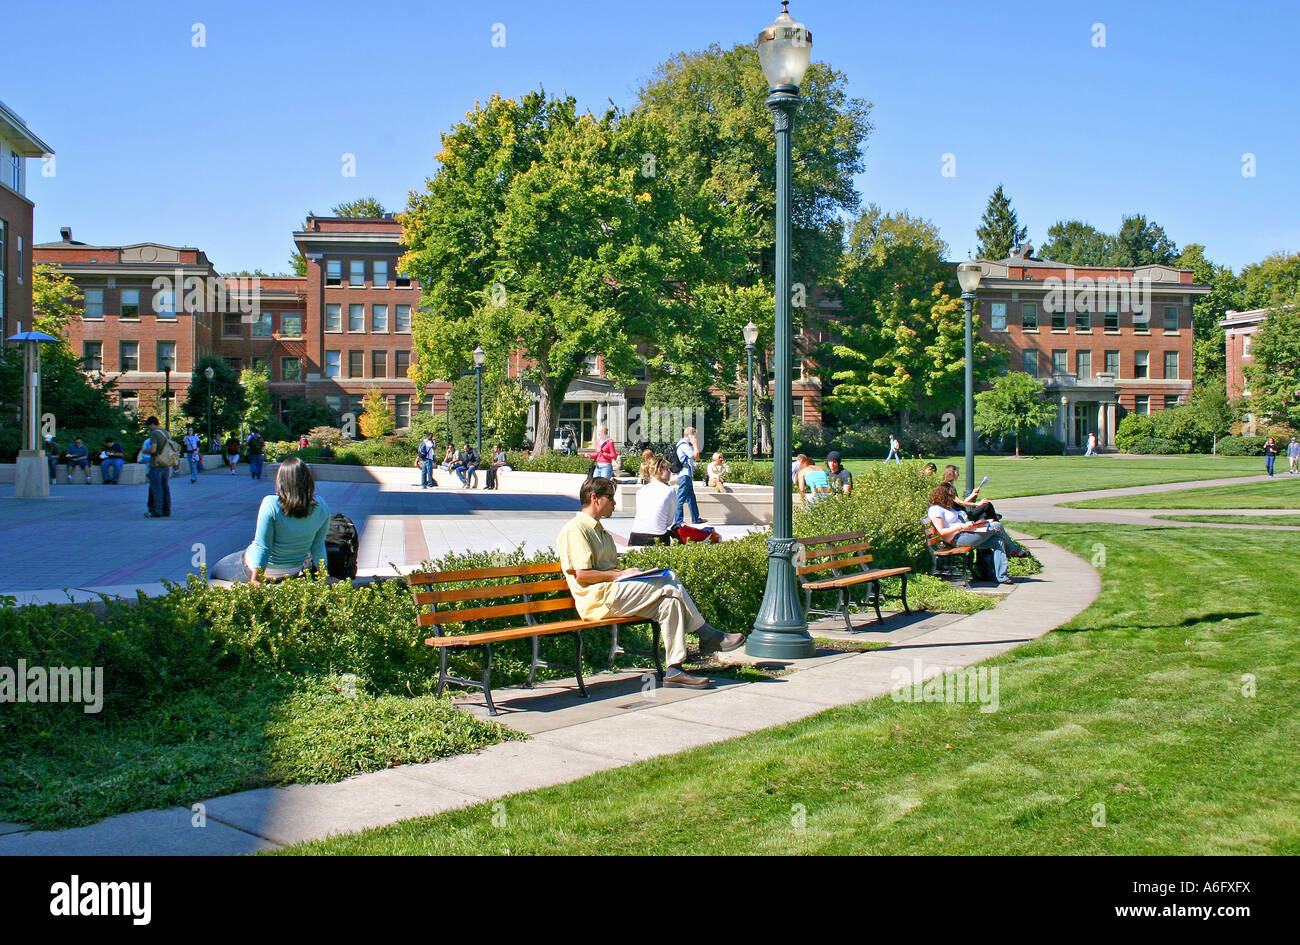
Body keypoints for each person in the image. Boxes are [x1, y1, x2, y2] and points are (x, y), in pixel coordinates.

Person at [557, 476, 743, 689]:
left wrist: (629, 575)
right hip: (598, 600)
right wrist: (618, 575)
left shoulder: (600, 530)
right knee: (669, 578)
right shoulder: (576, 530)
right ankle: (707, 634)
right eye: (610, 498)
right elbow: (582, 575)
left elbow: (609, 570)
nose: (615, 503)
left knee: (669, 603)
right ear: (595, 498)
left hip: (614, 593)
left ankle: (675, 670)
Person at [209, 457, 331, 585]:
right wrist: (325, 576)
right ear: (308, 481)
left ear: (281, 481)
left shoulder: (271, 504)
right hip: (292, 571)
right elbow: (318, 546)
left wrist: (255, 580)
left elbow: (263, 547)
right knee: (242, 553)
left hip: (260, 570)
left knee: (218, 569)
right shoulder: (322, 506)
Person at [927, 482, 1026, 585]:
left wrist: (972, 525)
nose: (952, 499)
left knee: (998, 541)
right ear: (942, 496)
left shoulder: (947, 507)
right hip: (957, 539)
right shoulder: (935, 510)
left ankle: (1002, 576)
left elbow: (959, 511)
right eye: (950, 496)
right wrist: (961, 526)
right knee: (997, 526)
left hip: (966, 533)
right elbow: (942, 531)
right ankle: (1015, 550)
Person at [629, 458, 679, 546]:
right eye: (667, 469)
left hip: (635, 535)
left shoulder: (641, 491)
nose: (670, 473)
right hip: (657, 536)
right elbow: (669, 521)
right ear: (660, 470)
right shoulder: (670, 491)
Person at [672, 426, 707, 527]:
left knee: (691, 497)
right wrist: (695, 444)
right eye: (694, 436)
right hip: (684, 475)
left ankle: (695, 518)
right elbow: (695, 456)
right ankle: (678, 520)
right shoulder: (684, 445)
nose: (695, 438)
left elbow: (697, 457)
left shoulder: (685, 444)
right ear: (690, 435)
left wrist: (694, 446)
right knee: (681, 497)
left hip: (687, 474)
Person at [140, 416, 172, 518]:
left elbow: (153, 450)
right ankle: (166, 510)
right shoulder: (166, 433)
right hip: (165, 463)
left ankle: (157, 511)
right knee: (165, 487)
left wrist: (144, 451)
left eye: (149, 426)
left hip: (156, 463)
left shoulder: (154, 434)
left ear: (152, 424)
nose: (149, 429)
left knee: (156, 488)